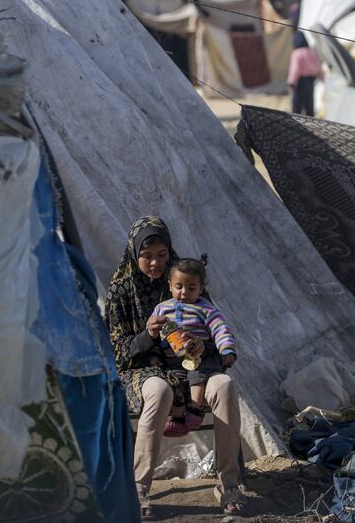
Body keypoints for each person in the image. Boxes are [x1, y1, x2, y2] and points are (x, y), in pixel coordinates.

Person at [106, 216, 246, 519]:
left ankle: (229, 483)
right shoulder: (121, 291)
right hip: (143, 369)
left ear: (170, 253)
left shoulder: (186, 278)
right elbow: (117, 353)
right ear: (134, 254)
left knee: (224, 385)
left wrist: (200, 345)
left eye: (161, 255)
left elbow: (213, 329)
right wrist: (148, 335)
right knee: (158, 391)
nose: (155, 263)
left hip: (192, 367)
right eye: (146, 256)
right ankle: (140, 486)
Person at [152, 257, 237, 437]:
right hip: (174, 359)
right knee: (174, 380)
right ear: (170, 286)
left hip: (200, 357)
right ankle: (178, 419)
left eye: (191, 288)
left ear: (201, 288)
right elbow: (153, 331)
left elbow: (220, 331)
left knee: (198, 374)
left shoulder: (206, 310)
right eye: (179, 287)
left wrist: (227, 351)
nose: (184, 292)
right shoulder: (161, 308)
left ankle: (196, 409)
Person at [288, 31, 321, 116]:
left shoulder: (297, 53)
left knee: (297, 104)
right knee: (309, 102)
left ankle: (296, 120)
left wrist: (291, 82)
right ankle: (311, 120)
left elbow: (295, 69)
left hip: (300, 81)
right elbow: (318, 66)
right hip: (311, 80)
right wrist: (322, 76)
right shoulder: (312, 51)